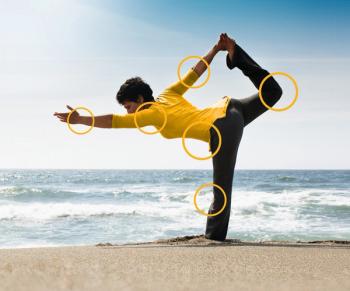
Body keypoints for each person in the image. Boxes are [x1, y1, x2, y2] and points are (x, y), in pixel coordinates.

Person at [54, 33, 283, 241]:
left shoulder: (151, 114)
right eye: (125, 107)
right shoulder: (167, 94)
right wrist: (216, 49)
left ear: (141, 99)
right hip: (232, 108)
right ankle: (237, 55)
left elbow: (114, 121)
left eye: (129, 105)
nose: (128, 112)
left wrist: (81, 120)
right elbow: (195, 73)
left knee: (221, 189)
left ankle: (213, 239)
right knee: (273, 92)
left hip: (221, 129)